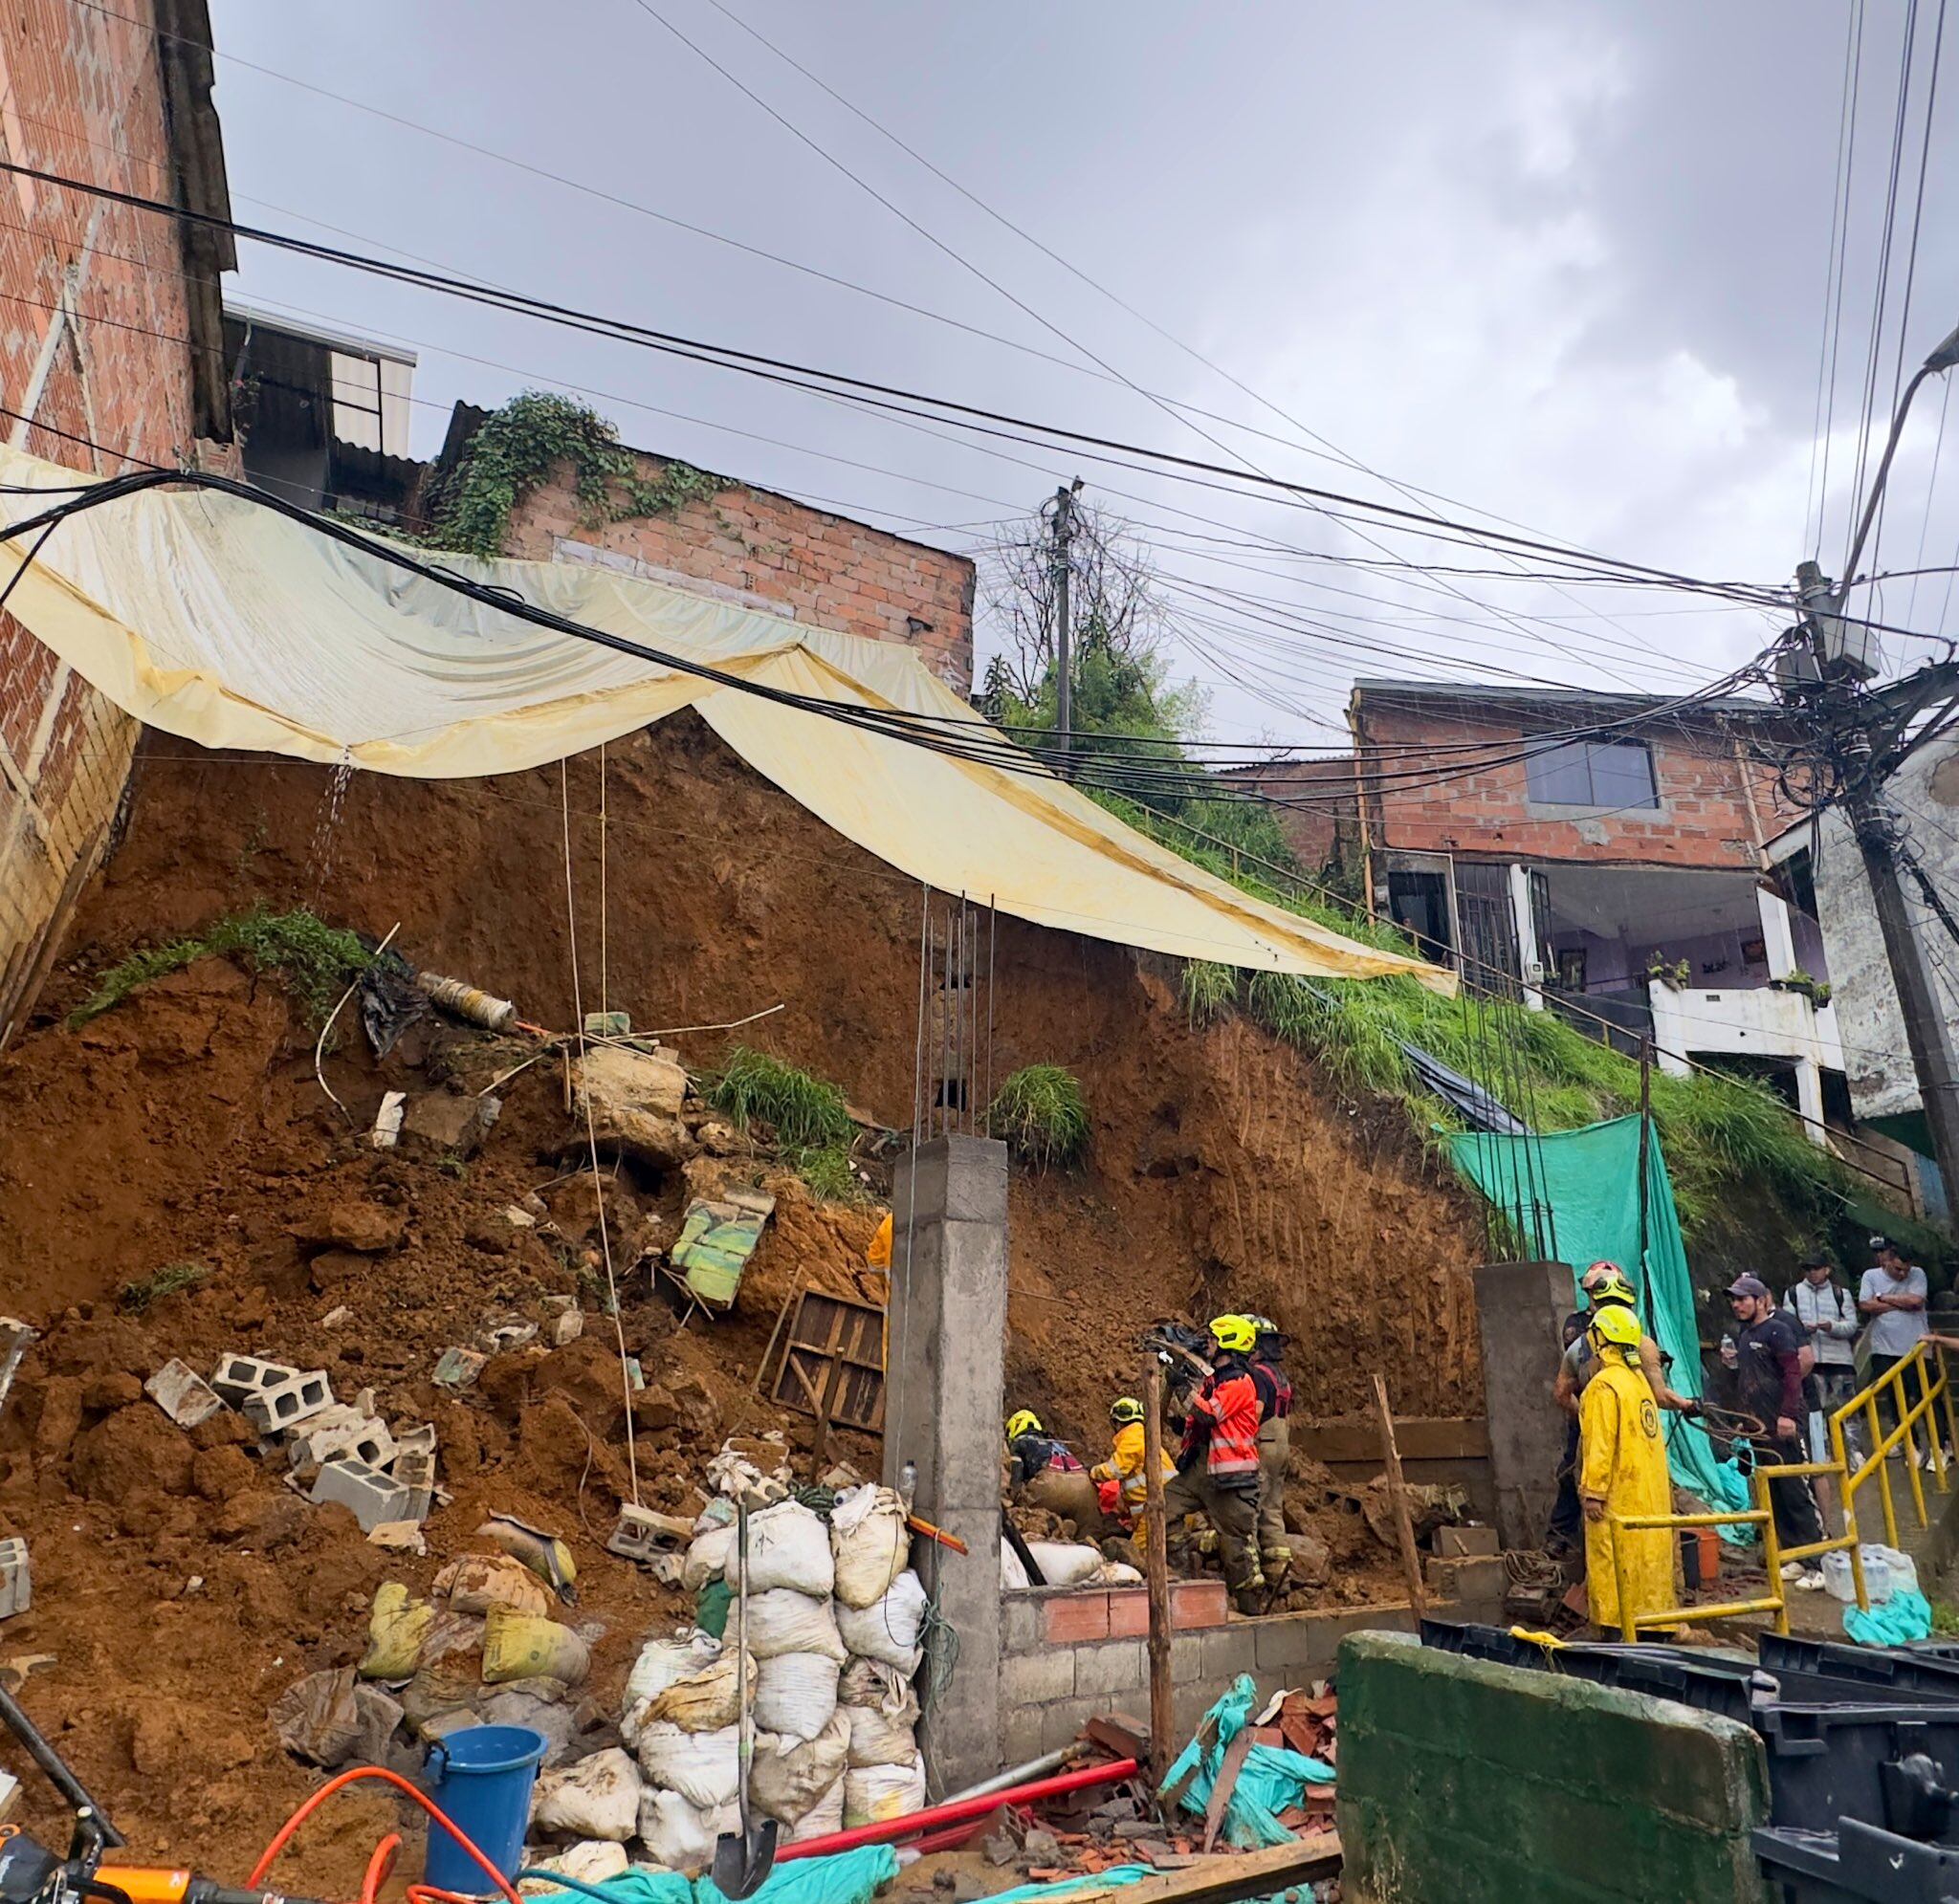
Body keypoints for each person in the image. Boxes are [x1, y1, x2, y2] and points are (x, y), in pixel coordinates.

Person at [1545, 1262, 1690, 1557]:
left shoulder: (1595, 1347)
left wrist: (1687, 1404)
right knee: (1603, 1493)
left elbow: (1561, 1394)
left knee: (1599, 1496)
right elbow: (1660, 1395)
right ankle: (1567, 1541)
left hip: (1614, 1432)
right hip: (1631, 1434)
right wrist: (1586, 1416)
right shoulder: (1629, 1343)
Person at [1577, 1303, 1673, 1634]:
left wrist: (1594, 1491)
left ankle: (1615, 1631)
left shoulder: (1604, 1386)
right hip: (1647, 1499)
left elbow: (1600, 1444)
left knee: (1614, 1566)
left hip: (1617, 1498)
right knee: (1646, 1567)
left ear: (1601, 1338)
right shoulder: (1638, 1382)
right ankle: (1654, 1628)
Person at [1162, 1315, 1267, 1613]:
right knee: (1164, 1507)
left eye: (1213, 1338)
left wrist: (1181, 1386)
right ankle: (1183, 1576)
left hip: (1231, 1478)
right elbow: (1200, 1421)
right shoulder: (1215, 1381)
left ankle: (1251, 1609)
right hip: (1202, 1468)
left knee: (1236, 1547)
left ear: (1229, 1344)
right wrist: (1179, 1423)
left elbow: (1209, 1414)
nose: (1208, 1342)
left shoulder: (1239, 1382)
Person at [1727, 1273, 1825, 1578]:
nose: (1737, 1305)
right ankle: (1793, 1556)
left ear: (1760, 1300)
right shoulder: (1745, 1336)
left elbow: (1793, 1375)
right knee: (1775, 1493)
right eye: (1734, 1300)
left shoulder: (1778, 1330)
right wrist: (1744, 1420)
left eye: (1742, 1299)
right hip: (1759, 1428)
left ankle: (1816, 1562)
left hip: (1783, 1426)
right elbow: (1747, 1381)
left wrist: (1788, 1416)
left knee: (1795, 1492)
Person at [1783, 1256, 1860, 1464]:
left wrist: (1831, 1326)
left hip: (1840, 1360)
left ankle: (1855, 1453)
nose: (1812, 1272)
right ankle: (1821, 1454)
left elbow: (1852, 1325)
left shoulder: (1840, 1294)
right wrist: (1803, 1329)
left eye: (1816, 1268)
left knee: (1849, 1409)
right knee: (1816, 1412)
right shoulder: (1793, 1293)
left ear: (1827, 1270)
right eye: (1808, 1269)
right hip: (1811, 1361)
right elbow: (1788, 1325)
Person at [1860, 1237, 1930, 1453]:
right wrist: (1902, 1303)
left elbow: (1916, 1301)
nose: (1902, 1275)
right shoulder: (1871, 1276)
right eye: (1898, 1269)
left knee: (1923, 1394)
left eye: (1905, 1271)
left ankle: (1939, 1443)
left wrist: (1882, 1298)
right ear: (1887, 1261)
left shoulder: (1918, 1274)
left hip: (1916, 1346)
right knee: (1895, 1397)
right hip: (1884, 1347)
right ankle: (1908, 1442)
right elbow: (1865, 1304)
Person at [1245, 1314, 1294, 1593]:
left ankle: (1252, 1580)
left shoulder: (1257, 1375)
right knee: (1273, 1509)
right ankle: (1280, 1577)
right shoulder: (1279, 1375)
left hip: (1263, 1441)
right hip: (1282, 1442)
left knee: (1251, 1507)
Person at [1090, 1395, 1174, 1551]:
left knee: (1134, 1554)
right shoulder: (1142, 1435)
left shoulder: (1132, 1438)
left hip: (1155, 1509)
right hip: (1163, 1506)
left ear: (1117, 1422)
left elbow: (1115, 1470)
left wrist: (1093, 1472)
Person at [1004, 1409, 1107, 1536]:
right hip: (1085, 1487)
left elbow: (1016, 1478)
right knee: (1089, 1534)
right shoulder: (1058, 1443)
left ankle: (1054, 1530)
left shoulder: (1019, 1442)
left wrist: (1012, 1500)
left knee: (1023, 1511)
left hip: (1051, 1485)